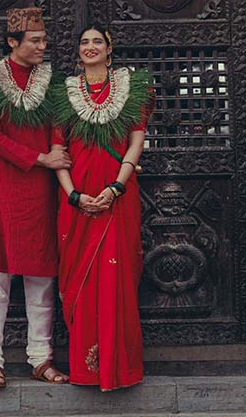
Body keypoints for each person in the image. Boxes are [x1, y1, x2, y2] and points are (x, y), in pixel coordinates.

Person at [0, 7, 72, 389]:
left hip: (42, 190)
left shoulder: (53, 82)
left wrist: (57, 153)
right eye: (36, 40)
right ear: (13, 43)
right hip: (5, 188)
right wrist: (41, 158)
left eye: (44, 39)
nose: (44, 46)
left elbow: (58, 128)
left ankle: (40, 358)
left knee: (42, 275)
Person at [49, 23, 153, 391]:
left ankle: (118, 368)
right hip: (75, 200)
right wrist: (74, 195)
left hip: (117, 199)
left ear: (110, 49)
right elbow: (58, 150)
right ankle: (86, 368)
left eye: (97, 42)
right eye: (84, 42)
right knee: (79, 277)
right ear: (78, 52)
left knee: (115, 278)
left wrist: (116, 187)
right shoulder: (64, 94)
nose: (90, 47)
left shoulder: (132, 89)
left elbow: (136, 141)